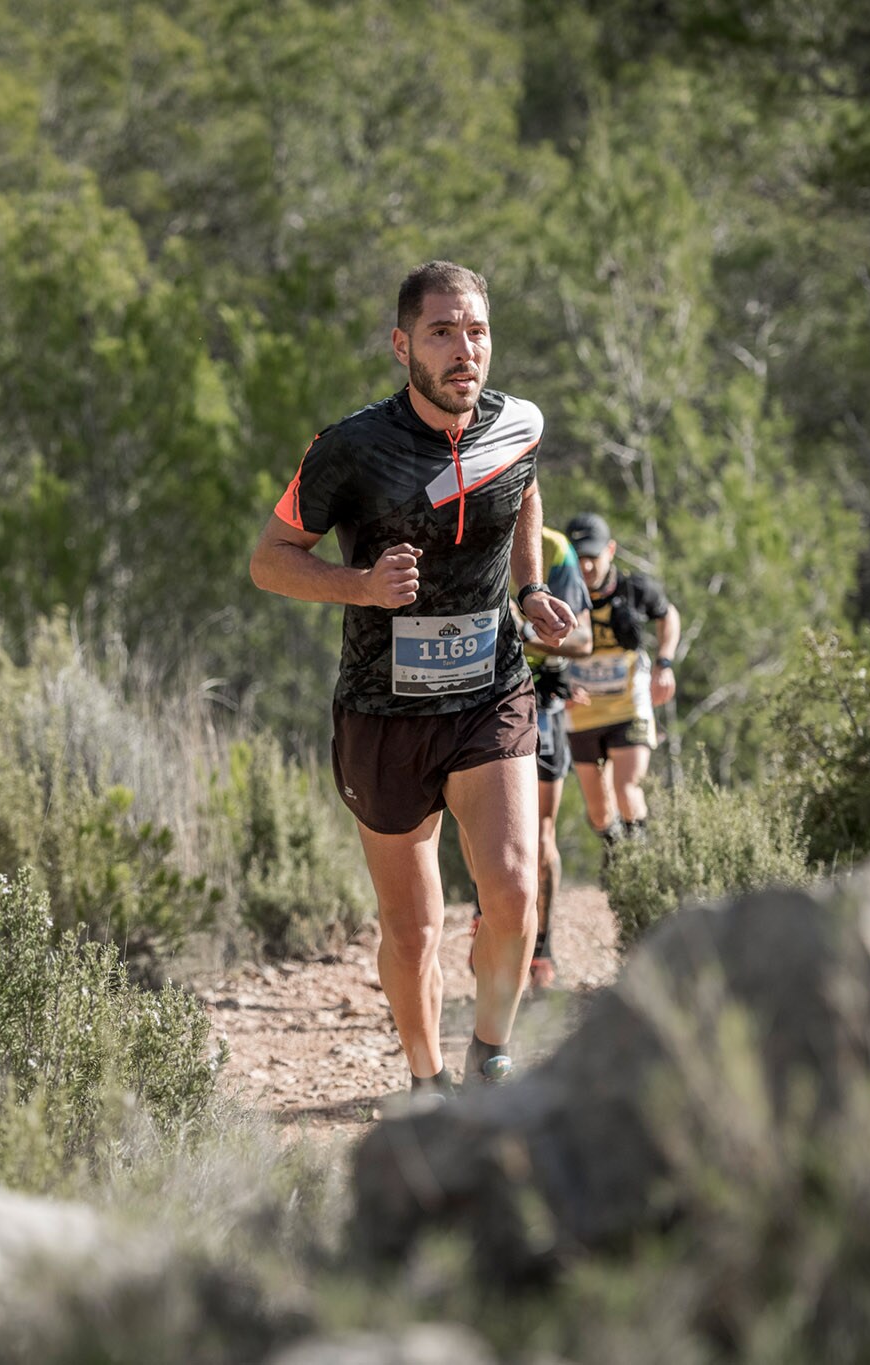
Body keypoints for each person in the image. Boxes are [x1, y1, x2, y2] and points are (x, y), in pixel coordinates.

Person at [249, 260, 577, 1095]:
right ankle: (429, 1082)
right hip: (382, 711)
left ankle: (491, 1052)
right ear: (403, 345)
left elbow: (524, 491)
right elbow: (270, 561)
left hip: (490, 690)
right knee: (414, 927)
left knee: (511, 885)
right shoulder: (350, 447)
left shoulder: (520, 424)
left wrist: (532, 587)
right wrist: (356, 586)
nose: (465, 349)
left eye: (477, 331)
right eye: (442, 332)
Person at [467, 528, 591, 990]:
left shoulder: (555, 549)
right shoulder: (461, 520)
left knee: (540, 835)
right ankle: (485, 916)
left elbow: (583, 642)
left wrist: (519, 631)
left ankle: (543, 947)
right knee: (475, 825)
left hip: (542, 702)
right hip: (483, 696)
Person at [561, 512, 680, 852]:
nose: (585, 567)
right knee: (599, 813)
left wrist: (664, 663)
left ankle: (639, 864)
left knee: (627, 787)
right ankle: (617, 852)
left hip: (630, 706)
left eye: (592, 557)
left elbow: (667, 614)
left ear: (610, 550)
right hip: (581, 714)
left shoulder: (634, 589)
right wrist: (556, 684)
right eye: (578, 558)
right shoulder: (557, 596)